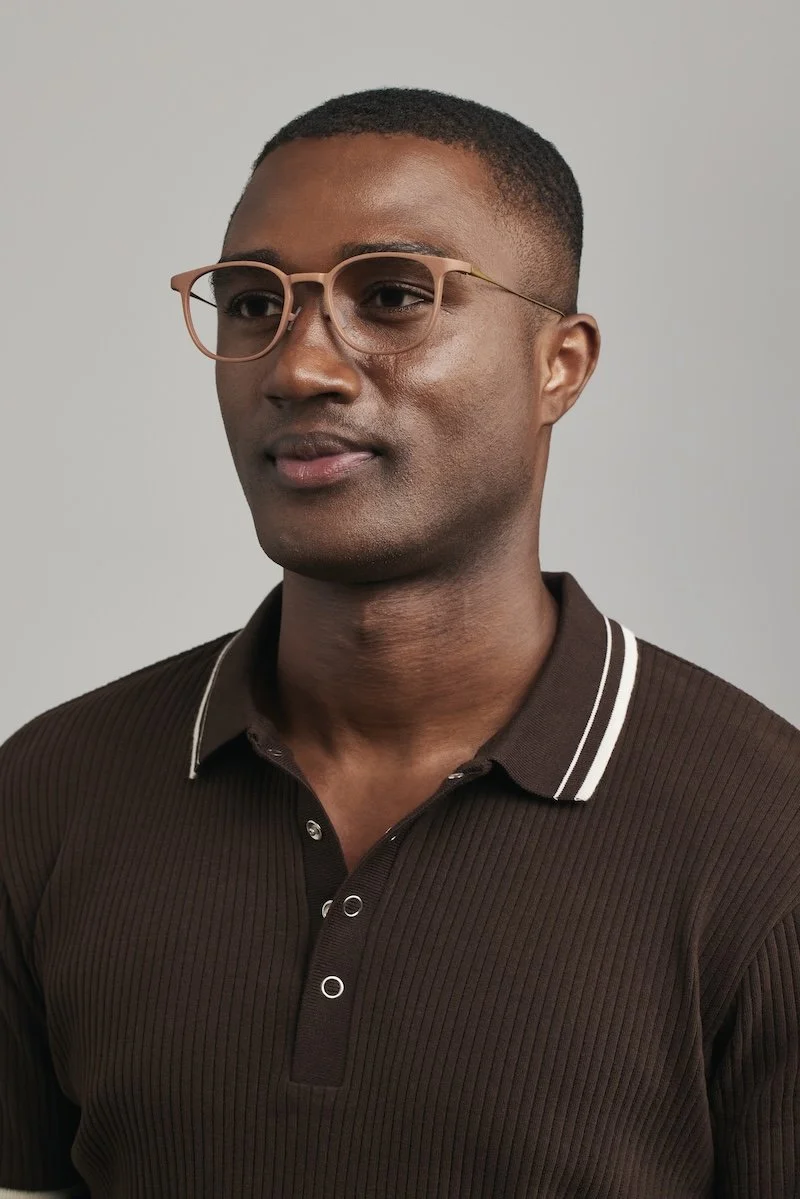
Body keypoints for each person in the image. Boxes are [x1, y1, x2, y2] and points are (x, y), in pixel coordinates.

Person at [1, 87, 797, 1199]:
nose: (298, 368)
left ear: (559, 364)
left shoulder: (768, 838)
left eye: (390, 296)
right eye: (252, 303)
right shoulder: (46, 791)